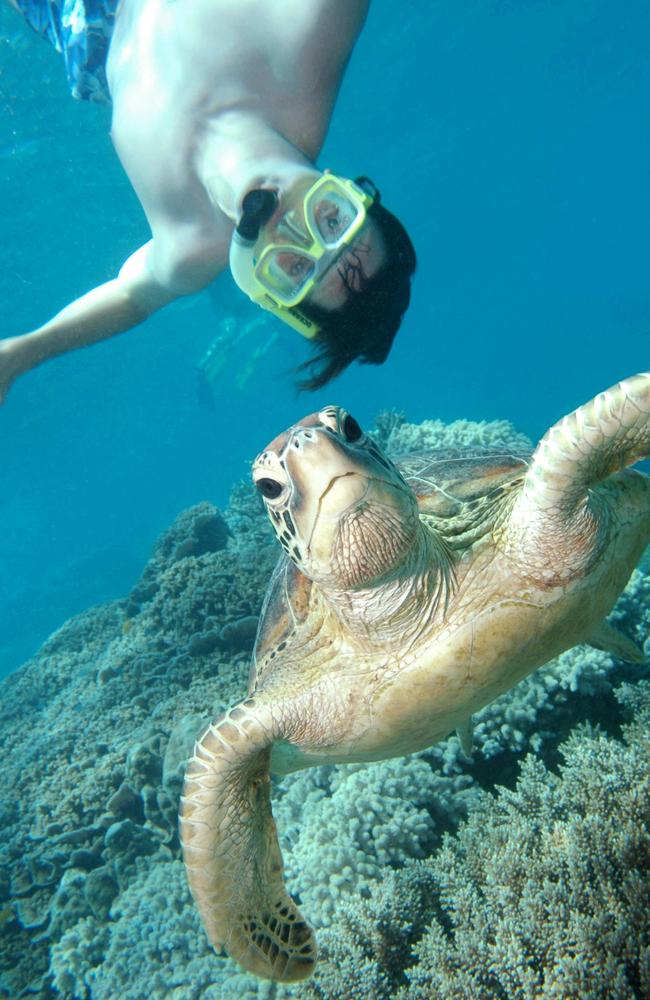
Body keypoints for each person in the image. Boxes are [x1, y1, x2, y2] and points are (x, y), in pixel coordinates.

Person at [1, 0, 416, 401]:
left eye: (297, 266)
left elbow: (131, 296)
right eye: (332, 221)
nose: (293, 225)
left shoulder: (193, 245)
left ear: (268, 288)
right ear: (349, 190)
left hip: (85, 40)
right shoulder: (312, 35)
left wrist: (20, 354)